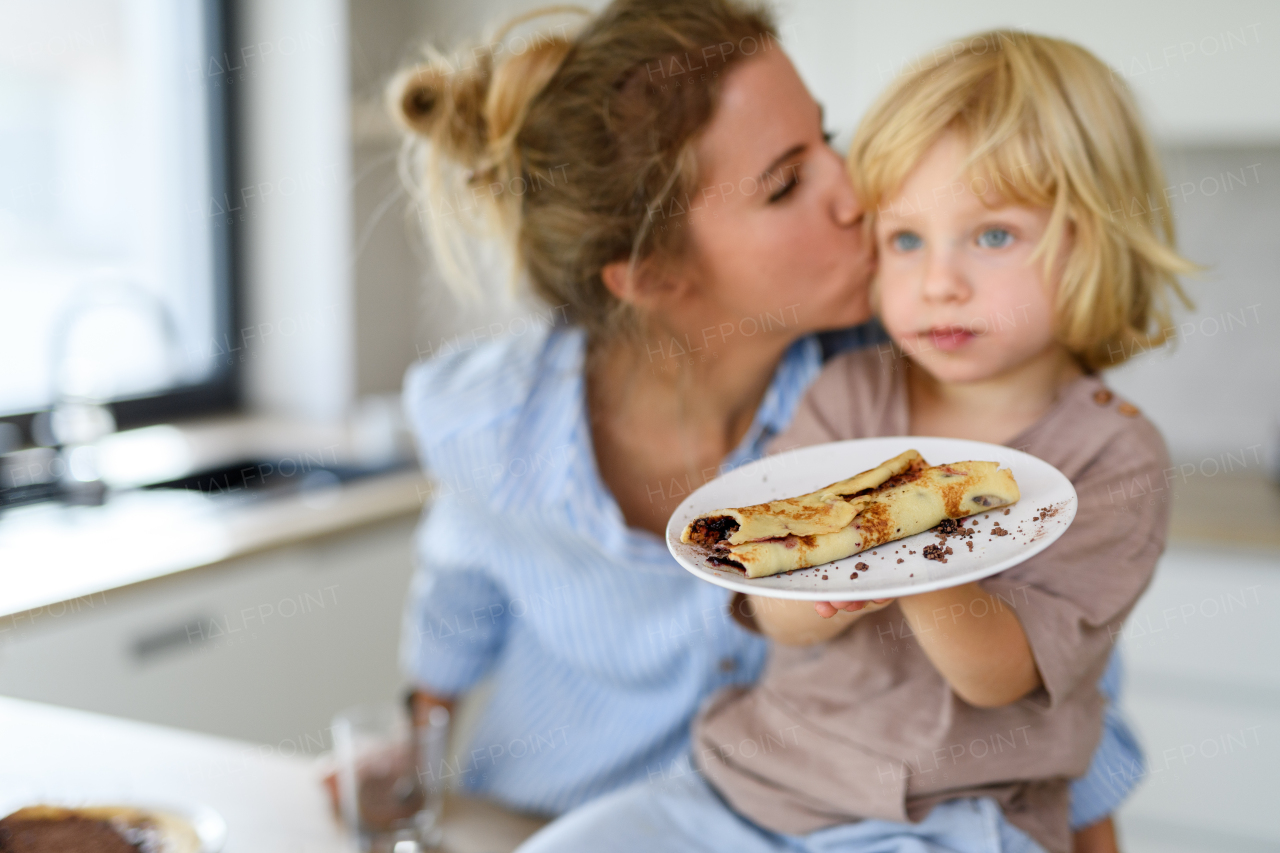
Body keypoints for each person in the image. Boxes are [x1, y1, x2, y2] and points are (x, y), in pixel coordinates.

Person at [389, 3, 1140, 848]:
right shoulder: (494, 421)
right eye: (787, 183)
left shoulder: (911, 377)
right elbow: (455, 601)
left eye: (827, 136)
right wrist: (408, 760)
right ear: (652, 274)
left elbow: (1063, 652)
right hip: (545, 817)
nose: (856, 189)